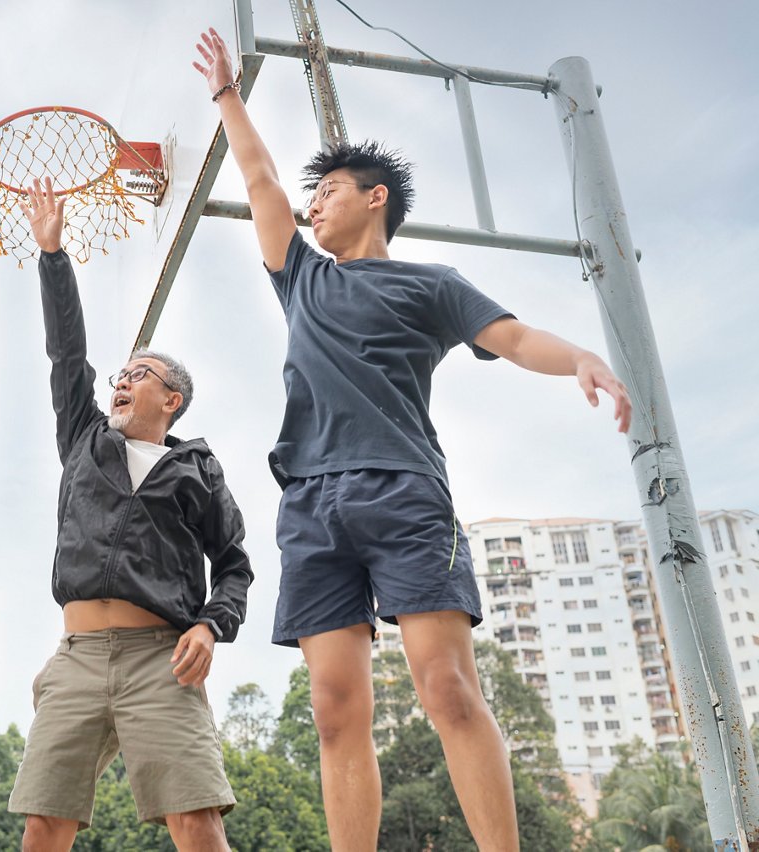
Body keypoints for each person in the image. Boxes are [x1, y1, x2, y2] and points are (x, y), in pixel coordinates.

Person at [193, 29, 632, 852]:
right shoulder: (302, 276)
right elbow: (258, 178)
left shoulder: (433, 285)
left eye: (327, 191)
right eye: (309, 194)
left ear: (375, 199)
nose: (312, 203)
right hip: (312, 506)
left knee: (448, 690)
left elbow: (516, 337)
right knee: (332, 710)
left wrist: (583, 360)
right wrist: (226, 95)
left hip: (403, 492)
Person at [6, 178, 254, 852]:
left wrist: (210, 626)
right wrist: (53, 255)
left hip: (160, 659)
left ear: (171, 399)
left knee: (196, 818)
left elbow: (235, 566)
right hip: (79, 655)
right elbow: (67, 355)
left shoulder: (198, 470)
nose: (121, 379)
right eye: (119, 373)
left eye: (138, 373)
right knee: (43, 822)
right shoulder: (85, 440)